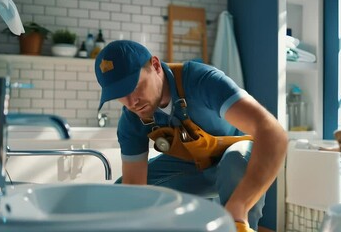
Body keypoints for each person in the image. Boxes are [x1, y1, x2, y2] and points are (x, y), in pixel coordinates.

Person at [94, 40, 288, 231]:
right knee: (122, 196)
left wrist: (239, 206)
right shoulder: (131, 120)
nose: (131, 102)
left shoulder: (202, 80)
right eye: (119, 94)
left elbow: (273, 134)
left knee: (234, 161)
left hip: (238, 163)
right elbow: (134, 190)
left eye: (134, 86)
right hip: (193, 170)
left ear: (155, 66)